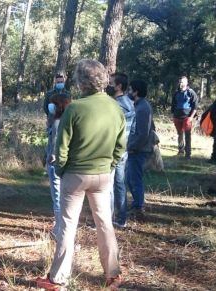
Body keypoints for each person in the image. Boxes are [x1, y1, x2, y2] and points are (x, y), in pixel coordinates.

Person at [37, 59, 126, 290]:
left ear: (81, 82)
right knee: (105, 222)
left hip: (75, 175)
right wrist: (110, 165)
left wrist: (60, 170)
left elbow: (61, 147)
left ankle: (58, 278)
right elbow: (120, 145)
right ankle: (113, 274)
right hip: (103, 175)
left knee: (67, 224)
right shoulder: (116, 108)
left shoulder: (75, 108)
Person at [106, 72, 135, 228]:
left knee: (109, 185)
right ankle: (122, 218)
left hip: (113, 149)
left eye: (111, 83)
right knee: (120, 184)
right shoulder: (130, 103)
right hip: (124, 149)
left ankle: (108, 220)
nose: (108, 85)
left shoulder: (115, 105)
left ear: (118, 86)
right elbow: (134, 128)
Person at [126, 80, 155, 221]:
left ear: (136, 92)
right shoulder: (139, 106)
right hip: (135, 148)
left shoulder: (143, 108)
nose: (128, 92)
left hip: (138, 150)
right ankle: (136, 204)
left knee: (134, 179)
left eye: (130, 90)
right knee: (130, 179)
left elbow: (143, 133)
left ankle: (138, 207)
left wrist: (133, 147)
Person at [45, 92, 72, 239]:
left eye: (53, 103)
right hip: (66, 164)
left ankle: (59, 228)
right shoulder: (67, 120)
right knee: (62, 195)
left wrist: (51, 158)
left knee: (57, 196)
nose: (50, 106)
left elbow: (55, 144)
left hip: (56, 164)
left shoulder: (57, 122)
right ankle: (61, 226)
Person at [171, 76, 199, 159]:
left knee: (187, 135)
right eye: (180, 82)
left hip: (187, 117)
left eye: (182, 82)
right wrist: (173, 116)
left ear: (186, 83)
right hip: (177, 116)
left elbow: (195, 106)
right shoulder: (176, 93)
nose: (181, 83)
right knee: (179, 134)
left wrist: (191, 117)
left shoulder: (191, 92)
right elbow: (173, 105)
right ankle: (180, 150)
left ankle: (188, 154)